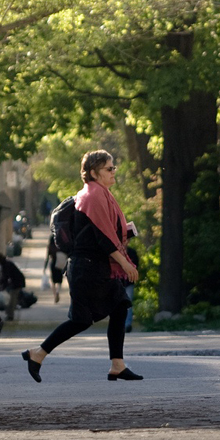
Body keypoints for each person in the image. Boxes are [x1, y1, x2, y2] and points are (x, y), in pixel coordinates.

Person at [21, 150, 142, 383]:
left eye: (113, 167)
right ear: (94, 172)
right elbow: (102, 238)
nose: (114, 171)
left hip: (93, 268)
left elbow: (103, 232)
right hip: (87, 270)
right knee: (82, 319)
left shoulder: (100, 195)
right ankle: (38, 353)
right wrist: (125, 263)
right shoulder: (93, 196)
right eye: (109, 168)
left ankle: (117, 364)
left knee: (119, 306)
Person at [0, 253, 26, 321]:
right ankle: (9, 314)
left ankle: (10, 315)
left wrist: (2, 286)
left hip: (17, 283)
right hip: (16, 282)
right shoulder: (6, 264)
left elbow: (6, 276)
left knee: (12, 299)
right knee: (10, 299)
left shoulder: (6, 265)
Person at [44, 236, 66, 303]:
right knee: (59, 280)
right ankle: (57, 291)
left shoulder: (50, 247)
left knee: (53, 280)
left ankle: (55, 294)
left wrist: (45, 267)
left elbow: (47, 257)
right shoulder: (61, 245)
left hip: (53, 263)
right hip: (60, 263)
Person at [124, 245, 139, 333]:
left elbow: (136, 266)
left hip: (129, 282)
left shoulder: (132, 253)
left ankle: (127, 324)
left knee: (128, 303)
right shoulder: (117, 252)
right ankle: (119, 323)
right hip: (118, 281)